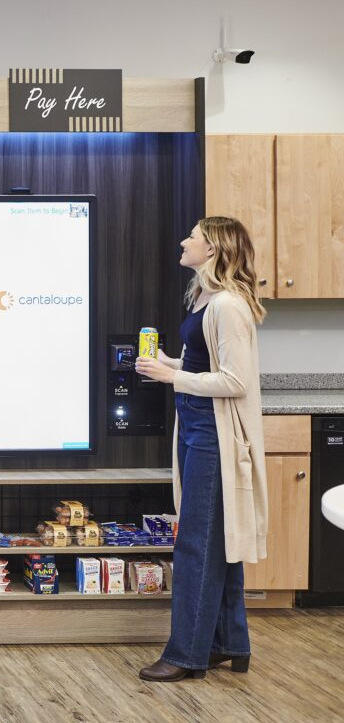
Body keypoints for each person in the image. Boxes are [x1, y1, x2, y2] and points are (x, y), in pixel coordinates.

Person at [135, 216, 268, 682]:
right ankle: (228, 644)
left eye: (192, 235)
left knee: (196, 545)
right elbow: (203, 362)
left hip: (214, 435)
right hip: (195, 425)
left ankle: (186, 655)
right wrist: (170, 365)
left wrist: (173, 377)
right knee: (218, 544)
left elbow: (234, 380)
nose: (183, 239)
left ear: (212, 248)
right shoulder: (206, 298)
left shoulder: (229, 305)